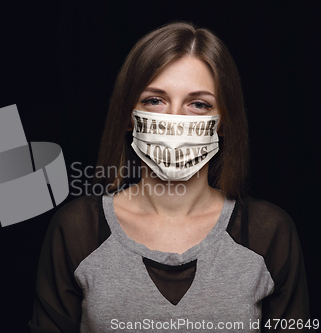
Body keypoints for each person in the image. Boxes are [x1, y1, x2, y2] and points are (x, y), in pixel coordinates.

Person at [28, 22, 311, 332]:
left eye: (198, 104)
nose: (175, 119)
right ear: (128, 115)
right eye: (155, 100)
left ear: (223, 121)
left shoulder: (269, 233)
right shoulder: (77, 230)